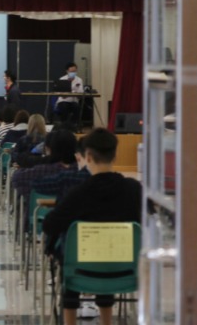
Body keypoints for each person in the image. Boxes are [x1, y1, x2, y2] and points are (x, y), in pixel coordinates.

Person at [43, 128, 142, 325]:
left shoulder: (78, 194)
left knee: (78, 255)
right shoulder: (133, 190)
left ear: (87, 156)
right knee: (107, 252)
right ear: (115, 156)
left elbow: (49, 225)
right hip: (124, 268)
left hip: (80, 272)